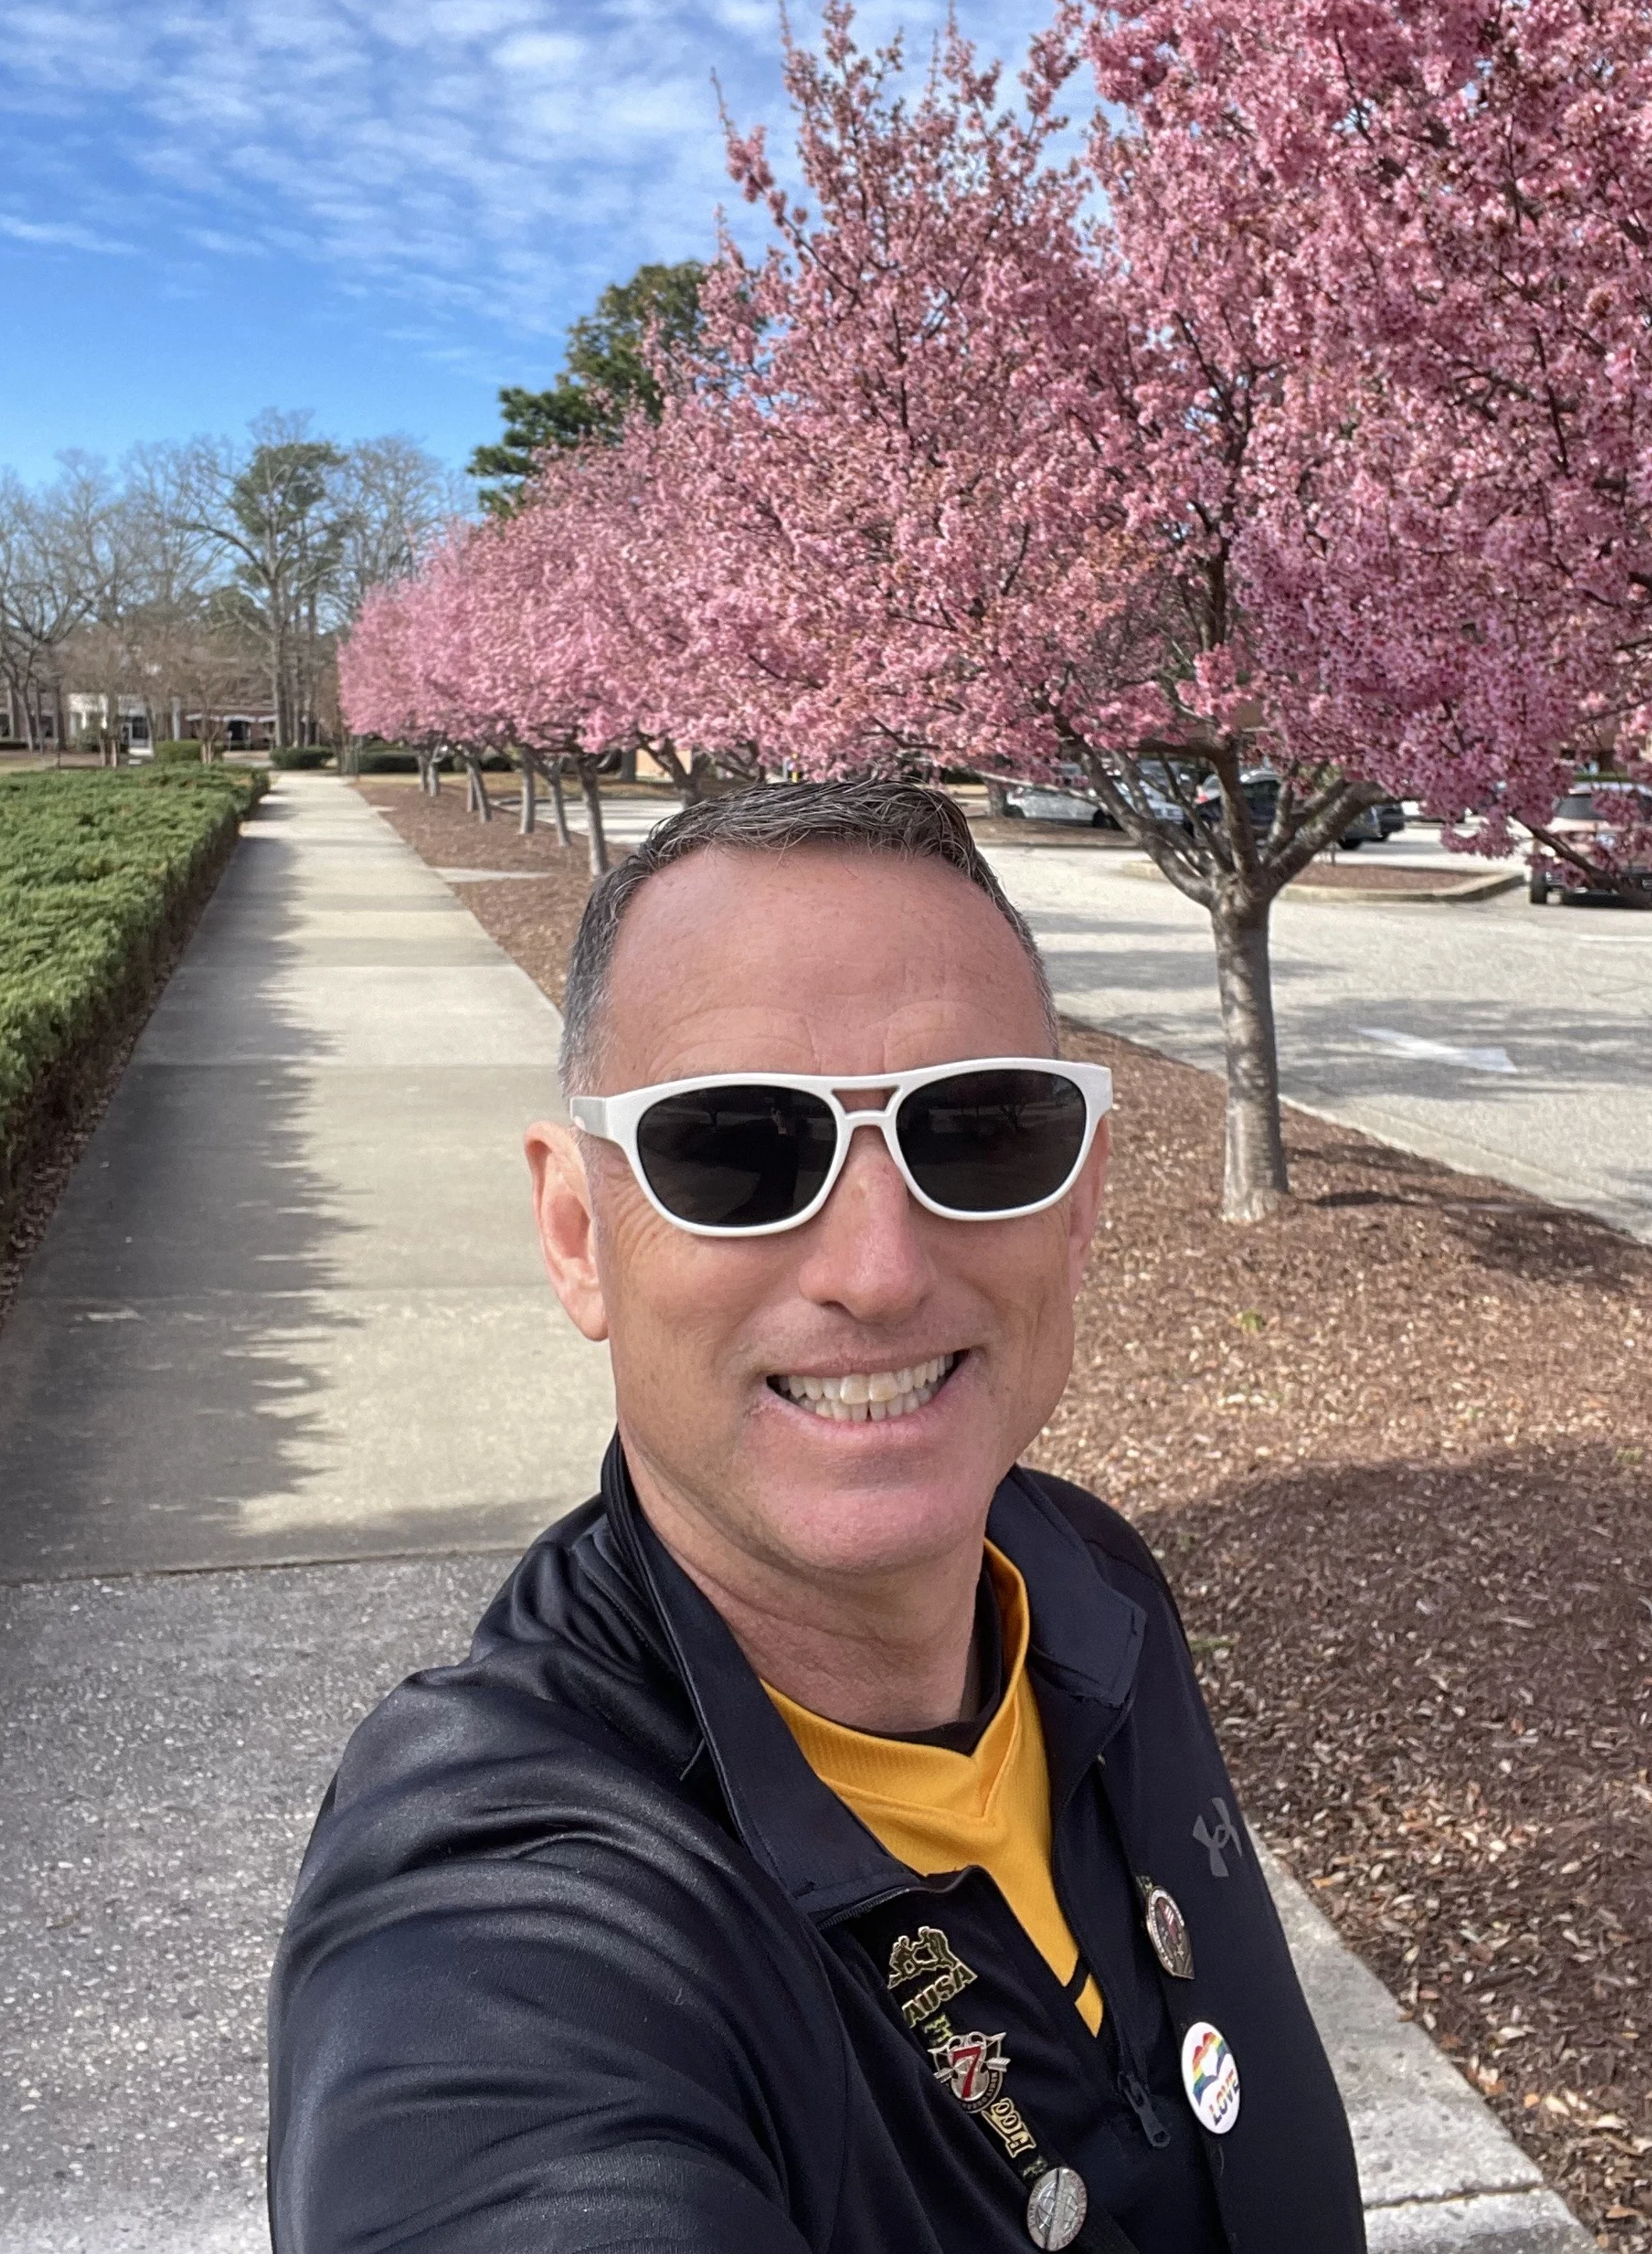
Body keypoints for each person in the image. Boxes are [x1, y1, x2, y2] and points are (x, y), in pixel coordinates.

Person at [269, 781, 1363, 2254]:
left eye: (977, 1132)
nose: (878, 1267)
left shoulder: (1087, 1581)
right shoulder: (511, 1917)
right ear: (578, 1236)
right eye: (736, 1151)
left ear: (1081, 1203)